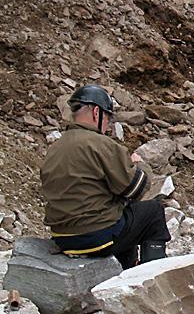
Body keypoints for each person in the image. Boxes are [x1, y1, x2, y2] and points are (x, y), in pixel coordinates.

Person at [40, 85, 169, 269]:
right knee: (152, 212)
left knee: (124, 215)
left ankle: (124, 270)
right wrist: (139, 165)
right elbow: (135, 189)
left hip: (63, 237)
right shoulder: (99, 144)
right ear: (95, 112)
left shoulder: (55, 147)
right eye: (108, 118)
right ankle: (153, 278)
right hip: (94, 236)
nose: (108, 125)